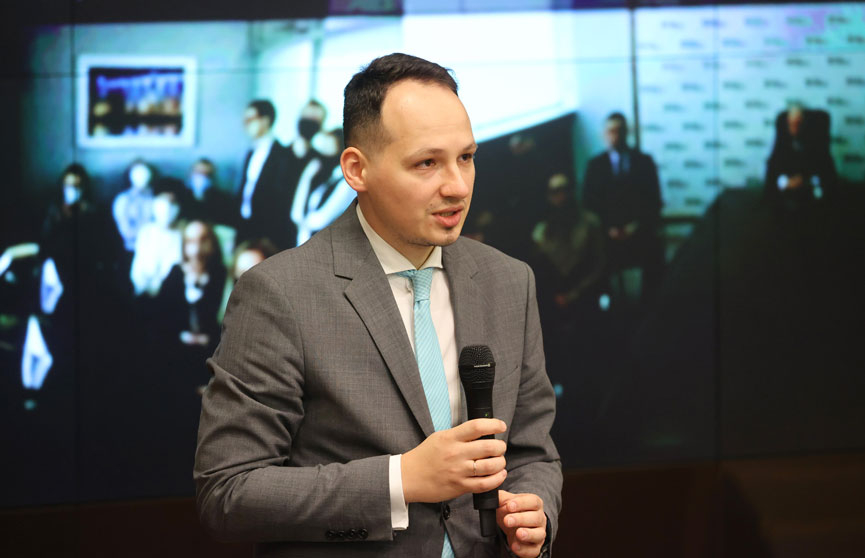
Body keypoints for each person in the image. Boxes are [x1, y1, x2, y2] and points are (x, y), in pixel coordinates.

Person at [195, 53, 561, 557]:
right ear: (356, 169)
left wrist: (535, 511)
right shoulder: (279, 294)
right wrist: (401, 480)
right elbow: (228, 493)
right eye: (427, 163)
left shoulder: (509, 281)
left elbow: (532, 453)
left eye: (466, 157)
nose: (457, 186)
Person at [582, 112, 663, 304]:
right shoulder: (595, 166)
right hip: (606, 235)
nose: (615, 136)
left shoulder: (644, 162)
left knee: (654, 260)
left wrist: (633, 227)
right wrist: (609, 228)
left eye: (620, 131)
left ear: (627, 133)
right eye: (611, 131)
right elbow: (589, 203)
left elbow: (654, 201)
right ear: (604, 134)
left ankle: (648, 306)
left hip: (639, 231)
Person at [235, 99, 294, 249]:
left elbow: (281, 199)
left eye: (250, 119)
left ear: (265, 120)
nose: (246, 124)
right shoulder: (251, 152)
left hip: (268, 231)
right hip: (245, 225)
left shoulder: (283, 155)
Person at [764, 103, 837, 206]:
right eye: (791, 124)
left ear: (803, 123)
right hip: (787, 189)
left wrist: (805, 180)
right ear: (786, 123)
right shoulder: (782, 142)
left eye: (798, 124)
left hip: (810, 189)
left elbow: (824, 169)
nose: (794, 128)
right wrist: (786, 182)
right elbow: (774, 168)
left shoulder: (815, 142)